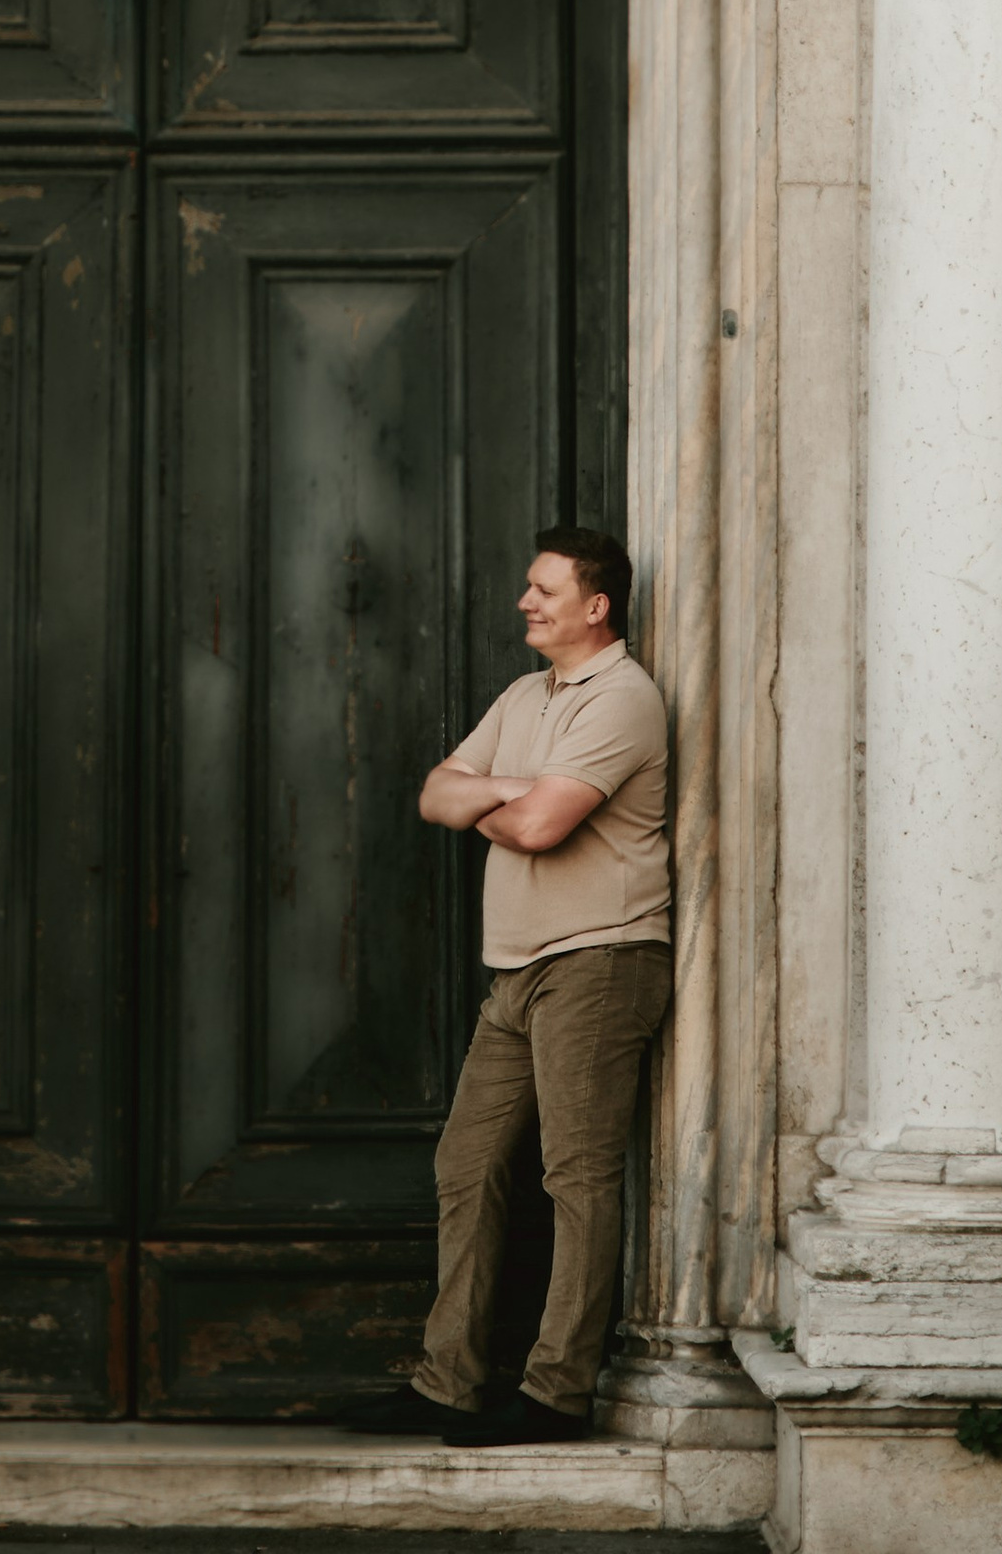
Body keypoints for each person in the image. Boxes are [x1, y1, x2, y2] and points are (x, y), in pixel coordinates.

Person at [342, 529, 672, 1448]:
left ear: (595, 605)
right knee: (468, 1165)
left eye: (543, 589)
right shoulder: (527, 695)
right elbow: (433, 796)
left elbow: (535, 829)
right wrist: (512, 788)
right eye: (528, 586)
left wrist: (496, 794)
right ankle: (447, 1382)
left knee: (575, 1176)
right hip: (518, 966)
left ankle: (559, 1392)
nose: (525, 601)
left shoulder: (625, 698)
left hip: (600, 961)